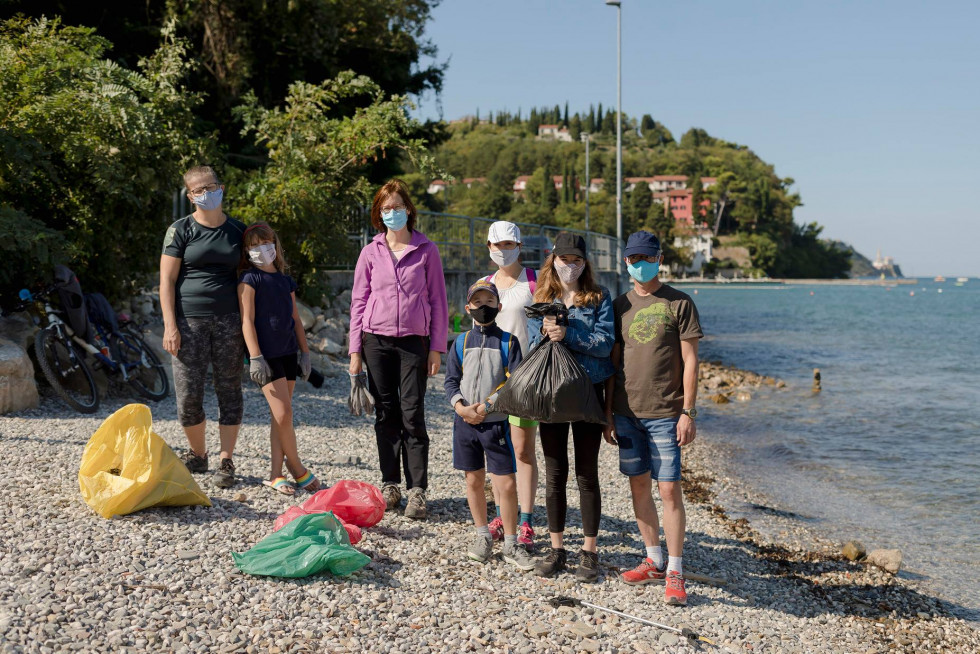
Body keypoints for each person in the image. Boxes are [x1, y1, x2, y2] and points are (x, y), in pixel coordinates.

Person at [603, 231, 703, 606]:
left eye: (646, 257)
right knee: (639, 487)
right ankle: (654, 559)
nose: (639, 264)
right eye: (632, 258)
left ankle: (675, 570)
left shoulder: (680, 303)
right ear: (625, 261)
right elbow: (613, 364)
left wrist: (688, 412)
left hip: (666, 413)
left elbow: (691, 360)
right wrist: (608, 413)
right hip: (626, 413)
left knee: (668, 489)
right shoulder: (619, 306)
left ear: (659, 258)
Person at [348, 179, 448, 520]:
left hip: (414, 343)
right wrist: (354, 353)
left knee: (412, 413)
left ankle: (417, 490)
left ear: (409, 209)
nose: (392, 213)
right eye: (385, 209)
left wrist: (437, 348)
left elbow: (438, 300)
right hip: (375, 341)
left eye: (397, 207)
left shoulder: (427, 250)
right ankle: (389, 484)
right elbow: (358, 302)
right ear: (378, 214)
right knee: (385, 413)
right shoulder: (370, 251)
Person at [526, 232, 615, 582]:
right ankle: (557, 547)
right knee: (555, 473)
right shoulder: (542, 298)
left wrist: (571, 335)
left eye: (577, 260)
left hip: (589, 392)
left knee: (587, 473)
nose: (570, 266)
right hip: (552, 394)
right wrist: (546, 332)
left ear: (585, 263)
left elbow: (605, 344)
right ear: (553, 260)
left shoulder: (598, 297)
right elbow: (531, 347)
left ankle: (590, 552)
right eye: (564, 260)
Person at [160, 165, 245, 488]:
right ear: (189, 195)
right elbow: (166, 281)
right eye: (198, 190)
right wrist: (170, 326)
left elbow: (248, 280)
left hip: (229, 322)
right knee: (188, 395)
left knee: (229, 391)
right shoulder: (180, 230)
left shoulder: (239, 231)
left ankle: (226, 459)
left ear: (221, 187)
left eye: (210, 187)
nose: (205, 193)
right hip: (187, 322)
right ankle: (198, 454)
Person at [444, 280, 536, 570]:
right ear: (468, 306)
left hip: (495, 424)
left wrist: (488, 405)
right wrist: (461, 407)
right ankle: (482, 534)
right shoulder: (460, 342)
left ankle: (511, 542)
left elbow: (515, 382)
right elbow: (449, 382)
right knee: (473, 480)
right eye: (478, 302)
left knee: (506, 483)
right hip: (465, 424)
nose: (484, 307)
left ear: (499, 305)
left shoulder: (509, 341)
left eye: (489, 301)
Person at [238, 222, 320, 495]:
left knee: (279, 417)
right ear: (247, 251)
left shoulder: (286, 281)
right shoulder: (250, 280)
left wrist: (305, 352)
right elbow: (247, 321)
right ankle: (297, 468)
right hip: (266, 356)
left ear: (275, 245)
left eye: (266, 243)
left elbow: (296, 319)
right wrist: (255, 357)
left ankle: (275, 474)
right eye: (254, 246)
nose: (262, 249)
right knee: (284, 413)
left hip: (288, 353)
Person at [481, 221, 539, 549]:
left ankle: (527, 520)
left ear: (519, 245)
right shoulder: (484, 285)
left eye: (508, 244)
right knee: (497, 452)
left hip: (526, 379)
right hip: (491, 380)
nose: (502, 250)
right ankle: (505, 514)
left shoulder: (535, 281)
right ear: (488, 247)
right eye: (496, 245)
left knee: (523, 450)